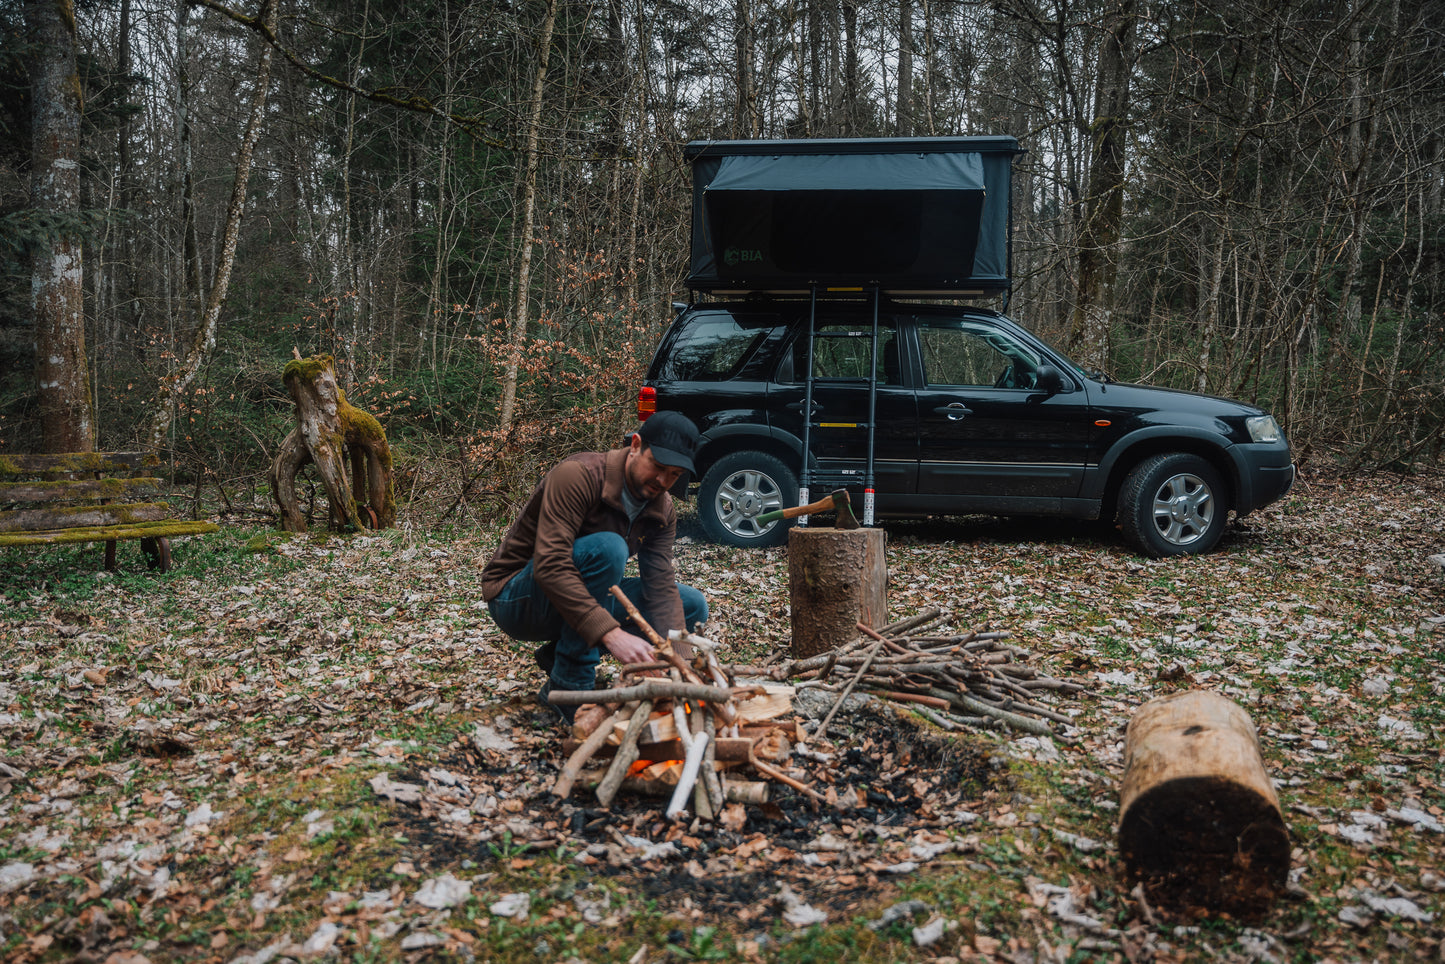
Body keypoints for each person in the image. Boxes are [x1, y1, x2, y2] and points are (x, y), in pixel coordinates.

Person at [481, 411, 708, 722]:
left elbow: (661, 587)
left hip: (572, 602)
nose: (663, 481)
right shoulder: (579, 475)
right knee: (608, 549)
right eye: (657, 467)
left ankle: (560, 659)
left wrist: (682, 663)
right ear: (636, 445)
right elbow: (551, 565)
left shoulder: (662, 510)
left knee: (691, 605)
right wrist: (611, 634)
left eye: (674, 475)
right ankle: (572, 689)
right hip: (518, 599)